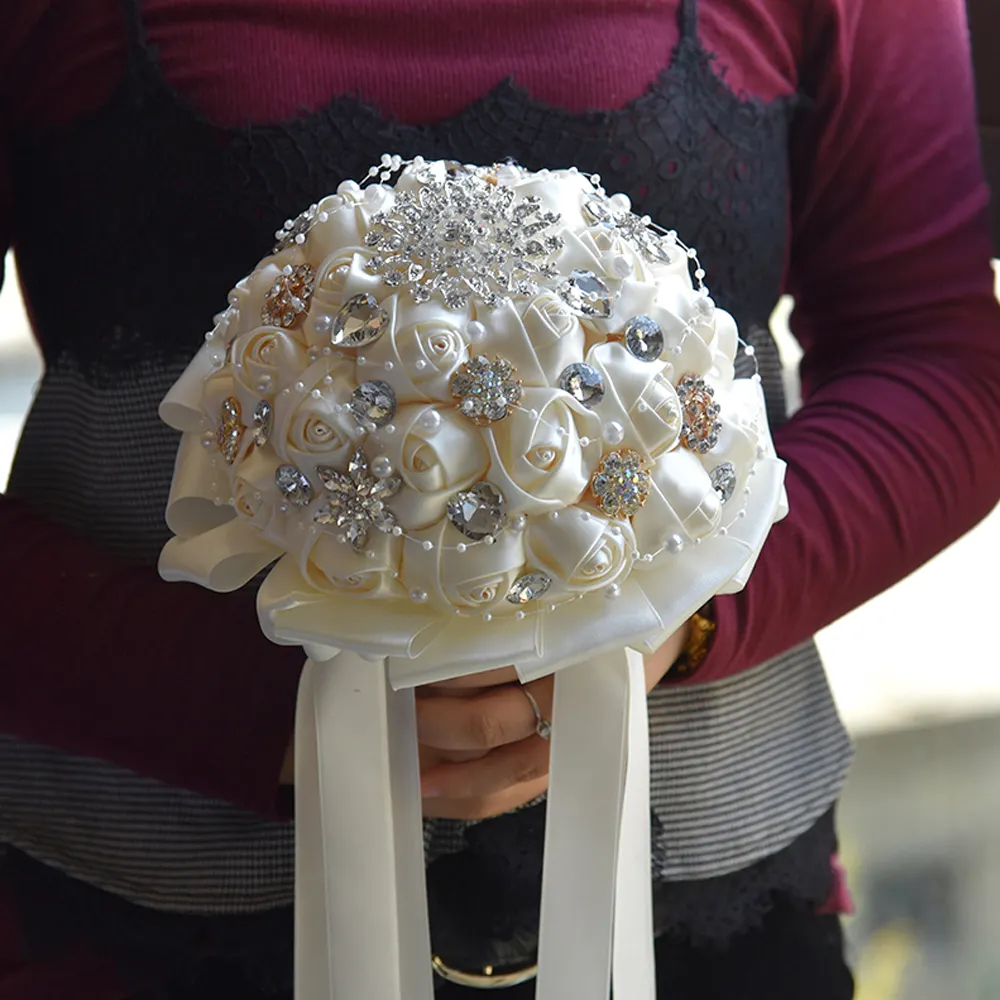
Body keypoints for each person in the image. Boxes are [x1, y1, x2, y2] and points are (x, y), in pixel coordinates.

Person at [1, 0, 997, 997]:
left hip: (711, 911)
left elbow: (940, 360)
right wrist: (228, 698)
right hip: (144, 920)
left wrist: (684, 609)